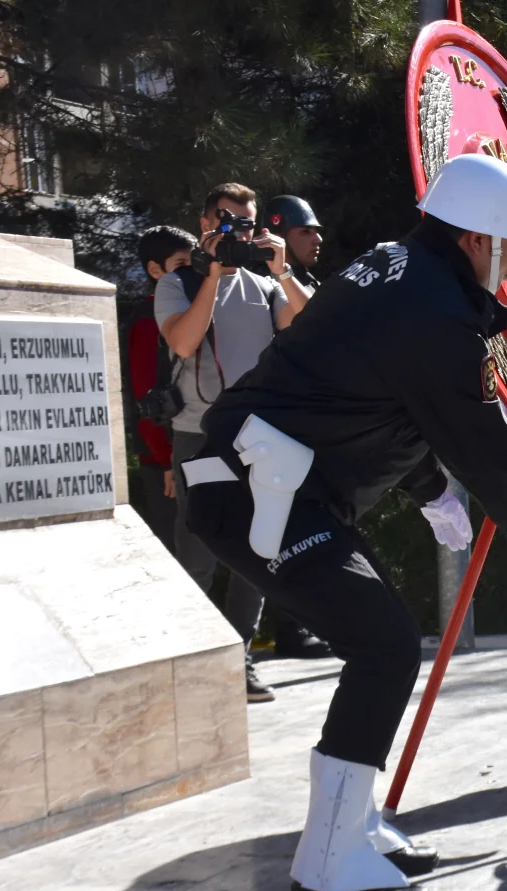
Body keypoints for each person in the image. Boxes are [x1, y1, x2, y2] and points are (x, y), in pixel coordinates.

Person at [182, 153, 507, 891]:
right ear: (475, 241)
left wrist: (431, 492)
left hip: (268, 485)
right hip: (256, 491)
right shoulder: (433, 306)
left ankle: (353, 825)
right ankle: (328, 864)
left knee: (382, 635)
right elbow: (478, 438)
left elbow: (374, 397)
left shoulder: (395, 269)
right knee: (385, 643)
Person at [157, 182, 314, 701]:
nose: (236, 232)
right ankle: (193, 664)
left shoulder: (264, 283)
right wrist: (213, 277)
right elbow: (182, 340)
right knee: (198, 553)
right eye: (225, 222)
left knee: (258, 552)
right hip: (198, 438)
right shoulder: (178, 283)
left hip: (258, 437)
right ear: (205, 223)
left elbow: (309, 326)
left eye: (245, 224)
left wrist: (284, 272)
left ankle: (239, 659)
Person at [261, 193, 335, 660]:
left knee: (299, 531)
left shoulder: (300, 279)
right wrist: (283, 273)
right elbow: (310, 320)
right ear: (280, 234)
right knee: (274, 534)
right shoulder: (271, 282)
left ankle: (297, 625)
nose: (317, 237)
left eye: (316, 230)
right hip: (271, 427)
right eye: (306, 230)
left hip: (304, 426)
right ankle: (275, 633)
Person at [127, 225, 195, 551]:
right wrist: (167, 459)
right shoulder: (147, 322)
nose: (192, 271)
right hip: (164, 464)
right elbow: (147, 396)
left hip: (187, 455)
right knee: (180, 560)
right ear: (155, 270)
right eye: (182, 264)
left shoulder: (190, 310)